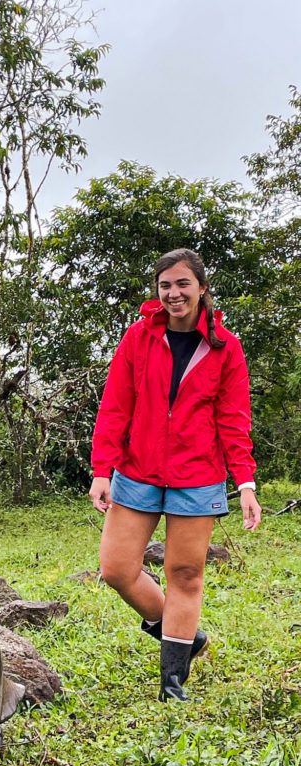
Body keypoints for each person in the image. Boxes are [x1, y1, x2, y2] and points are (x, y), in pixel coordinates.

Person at [88, 248, 261, 702]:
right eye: (165, 285)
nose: (173, 293)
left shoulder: (225, 348)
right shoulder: (139, 338)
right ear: (157, 291)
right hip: (138, 470)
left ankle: (173, 682)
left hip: (198, 476)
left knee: (185, 574)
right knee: (117, 569)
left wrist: (245, 481)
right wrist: (101, 469)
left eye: (182, 284)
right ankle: (187, 638)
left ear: (202, 288)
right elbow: (115, 405)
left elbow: (233, 418)